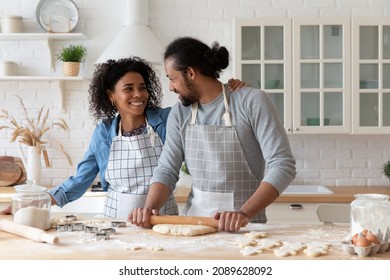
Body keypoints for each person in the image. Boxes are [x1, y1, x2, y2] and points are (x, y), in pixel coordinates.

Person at [42, 57, 245, 219]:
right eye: (128, 88)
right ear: (111, 95)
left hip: (161, 219)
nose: (138, 94)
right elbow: (79, 181)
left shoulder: (166, 119)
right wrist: (35, 203)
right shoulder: (103, 132)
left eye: (142, 87)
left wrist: (229, 91)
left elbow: (204, 103)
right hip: (116, 222)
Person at [129, 37, 296, 231]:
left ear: (190, 73)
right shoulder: (180, 113)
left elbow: (283, 165)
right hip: (193, 227)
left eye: (172, 78)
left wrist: (243, 214)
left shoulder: (251, 101)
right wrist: (149, 209)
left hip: (246, 228)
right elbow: (167, 169)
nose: (171, 87)